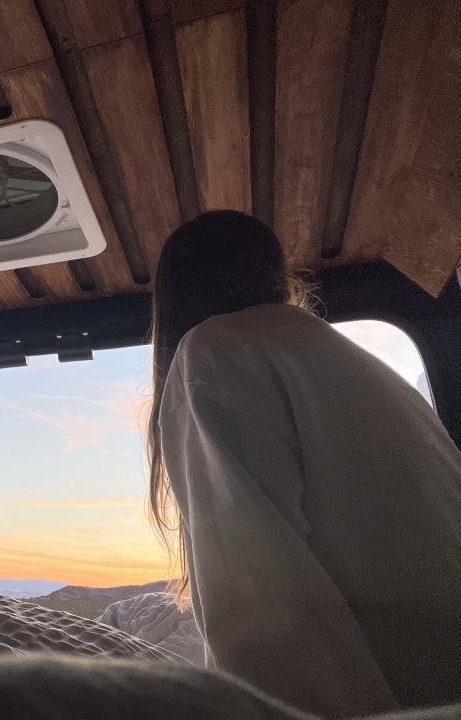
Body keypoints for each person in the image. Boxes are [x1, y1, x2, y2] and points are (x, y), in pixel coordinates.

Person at [146, 211, 461, 717]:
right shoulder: (360, 364)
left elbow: (264, 609)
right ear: (278, 277)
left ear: (170, 297)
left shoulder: (216, 352)